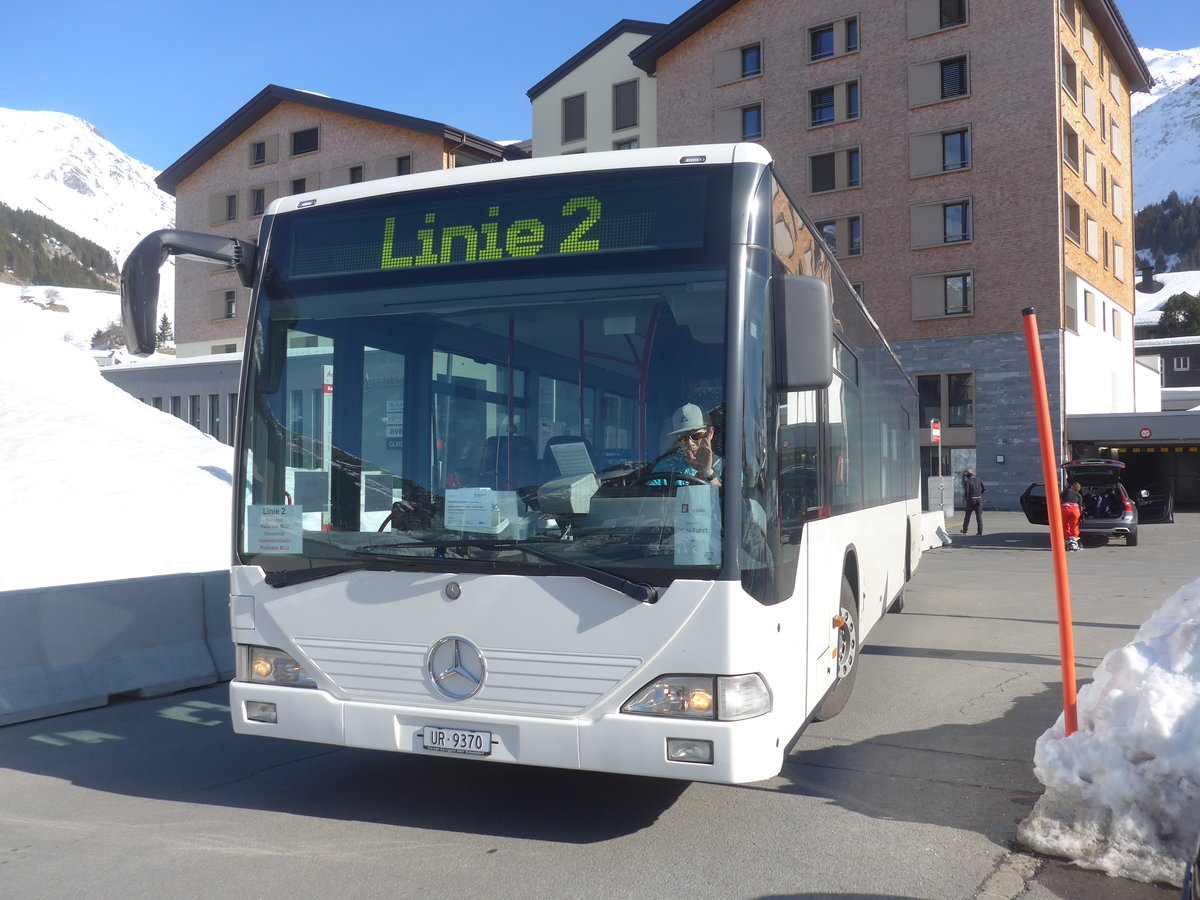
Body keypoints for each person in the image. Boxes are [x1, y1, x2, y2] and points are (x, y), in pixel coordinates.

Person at [650, 403, 723, 486]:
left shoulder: (727, 467)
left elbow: (727, 497)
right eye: (682, 438)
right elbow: (648, 496)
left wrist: (707, 471)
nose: (689, 443)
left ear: (710, 433)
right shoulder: (666, 466)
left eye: (696, 435)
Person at [962, 467, 986, 535]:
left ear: (967, 474)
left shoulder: (968, 481)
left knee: (967, 516)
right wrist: (979, 494)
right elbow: (984, 488)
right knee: (979, 516)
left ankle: (965, 530)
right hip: (979, 499)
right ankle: (980, 531)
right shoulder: (978, 479)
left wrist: (966, 499)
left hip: (971, 499)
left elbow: (967, 491)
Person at [1060, 480, 1083, 551]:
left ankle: (1067, 539)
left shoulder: (1066, 491)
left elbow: (1060, 498)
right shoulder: (1078, 495)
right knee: (1074, 525)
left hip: (1065, 509)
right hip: (1075, 510)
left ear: (1072, 486)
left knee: (1065, 525)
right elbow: (1080, 506)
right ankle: (1074, 542)